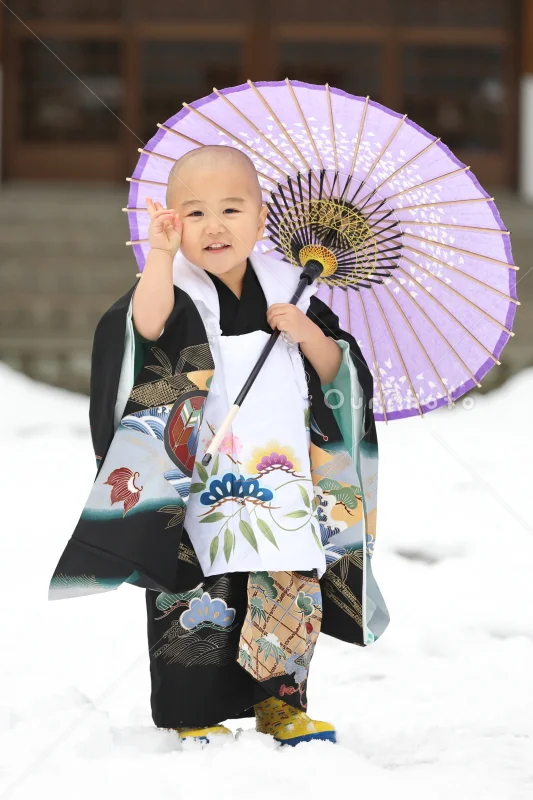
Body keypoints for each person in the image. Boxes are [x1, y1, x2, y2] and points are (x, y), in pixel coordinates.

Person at [49, 145, 390, 747]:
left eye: (232, 209)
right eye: (195, 213)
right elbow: (144, 328)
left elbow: (342, 375)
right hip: (201, 473)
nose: (215, 226)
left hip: (283, 474)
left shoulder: (295, 292)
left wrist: (306, 331)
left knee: (285, 585)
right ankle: (192, 712)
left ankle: (281, 705)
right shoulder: (173, 289)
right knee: (197, 587)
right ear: (174, 222)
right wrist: (158, 258)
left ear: (262, 222)